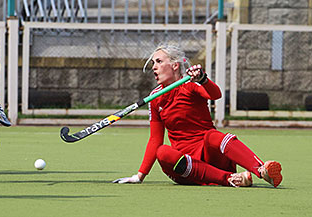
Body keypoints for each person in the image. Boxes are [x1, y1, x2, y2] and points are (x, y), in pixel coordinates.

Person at [113, 44, 283, 188]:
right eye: (153, 63)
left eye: (158, 62)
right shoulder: (155, 98)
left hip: (213, 157)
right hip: (185, 166)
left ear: (175, 65)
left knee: (212, 136)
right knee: (162, 151)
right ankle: (229, 178)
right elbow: (155, 139)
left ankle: (260, 170)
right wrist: (139, 176)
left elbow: (215, 94)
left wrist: (203, 79)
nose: (154, 67)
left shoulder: (190, 86)